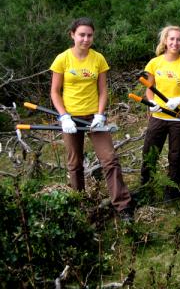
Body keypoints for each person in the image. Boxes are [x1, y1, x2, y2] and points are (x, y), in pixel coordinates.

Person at [50, 17, 133, 222]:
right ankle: (80, 205)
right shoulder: (62, 59)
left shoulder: (98, 59)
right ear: (72, 35)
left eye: (89, 35)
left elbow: (103, 90)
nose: (86, 39)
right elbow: (54, 92)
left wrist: (100, 114)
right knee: (74, 163)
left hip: (93, 117)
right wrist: (64, 116)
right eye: (81, 35)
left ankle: (123, 206)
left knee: (110, 159)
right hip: (71, 117)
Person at [140, 25, 180, 202]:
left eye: (178, 39)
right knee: (150, 152)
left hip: (179, 117)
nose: (175, 42)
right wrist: (151, 103)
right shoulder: (154, 63)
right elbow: (149, 88)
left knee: (176, 154)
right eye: (171, 39)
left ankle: (171, 190)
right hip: (158, 116)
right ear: (165, 41)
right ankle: (146, 187)